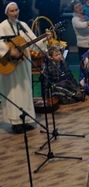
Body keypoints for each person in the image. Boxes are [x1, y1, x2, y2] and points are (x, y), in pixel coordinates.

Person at [0, 2, 47, 133]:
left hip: (23, 64)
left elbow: (33, 41)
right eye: (12, 11)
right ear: (7, 13)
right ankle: (15, 122)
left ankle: (26, 120)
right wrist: (10, 52)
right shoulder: (2, 26)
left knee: (25, 91)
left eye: (16, 10)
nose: (15, 13)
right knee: (13, 93)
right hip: (10, 65)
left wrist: (45, 39)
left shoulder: (23, 25)